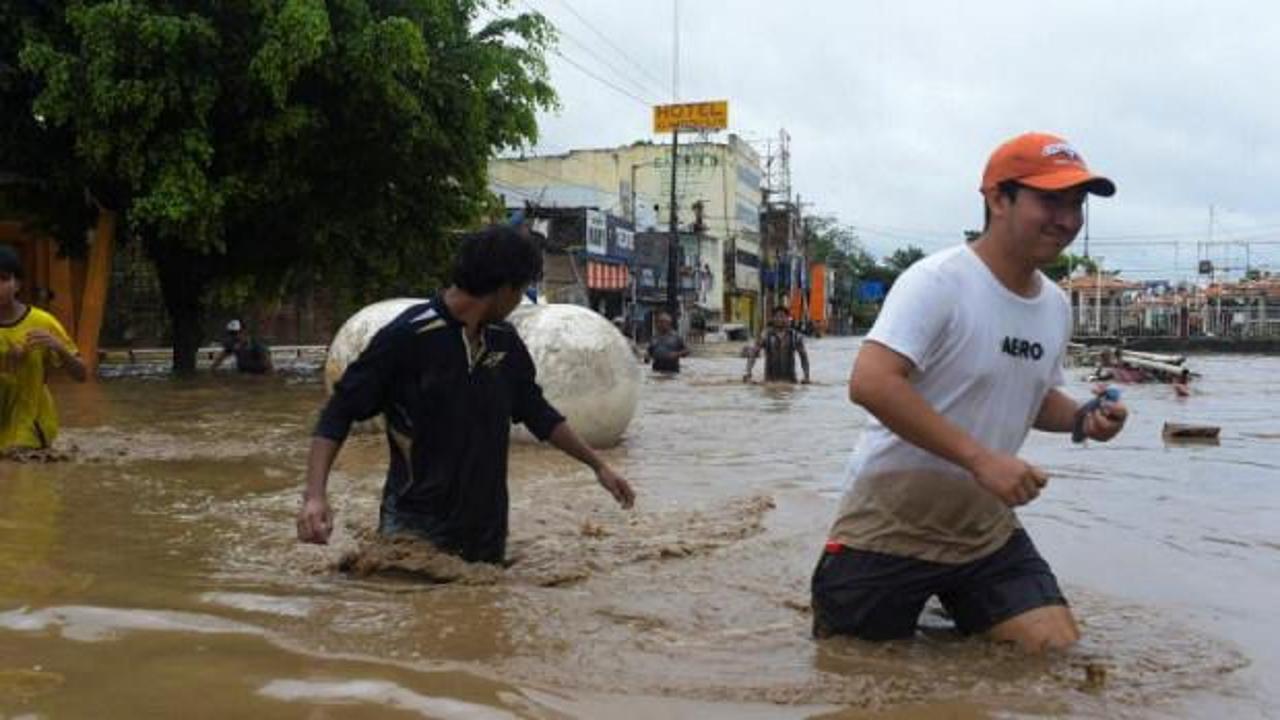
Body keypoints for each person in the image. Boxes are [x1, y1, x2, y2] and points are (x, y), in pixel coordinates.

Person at [811, 132, 1129, 653]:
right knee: (858, 676)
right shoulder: (937, 282)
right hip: (889, 524)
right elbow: (870, 382)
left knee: (1052, 653)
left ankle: (950, 606)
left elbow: (1035, 394)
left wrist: (1083, 418)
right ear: (997, 199)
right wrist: (981, 458)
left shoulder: (1054, 305)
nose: (1068, 220)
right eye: (1050, 200)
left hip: (984, 530)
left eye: (1076, 205)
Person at [296, 225, 635, 564]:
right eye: (520, 290)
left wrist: (599, 466)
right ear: (504, 288)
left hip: (486, 531)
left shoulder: (504, 340)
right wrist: (315, 496)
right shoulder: (407, 337)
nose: (519, 301)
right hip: (415, 528)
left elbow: (538, 413)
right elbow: (338, 411)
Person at [0, 245, 87, 451]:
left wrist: (59, 348)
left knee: (20, 474)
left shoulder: (42, 322)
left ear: (17, 284)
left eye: (3, 279)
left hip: (30, 423)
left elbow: (82, 375)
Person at [743, 306, 811, 384]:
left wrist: (806, 376)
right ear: (772, 318)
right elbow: (753, 354)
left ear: (788, 318)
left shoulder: (795, 336)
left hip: (790, 381)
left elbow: (803, 357)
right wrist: (748, 373)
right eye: (777, 316)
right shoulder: (765, 335)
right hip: (770, 381)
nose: (779, 319)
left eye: (782, 316)